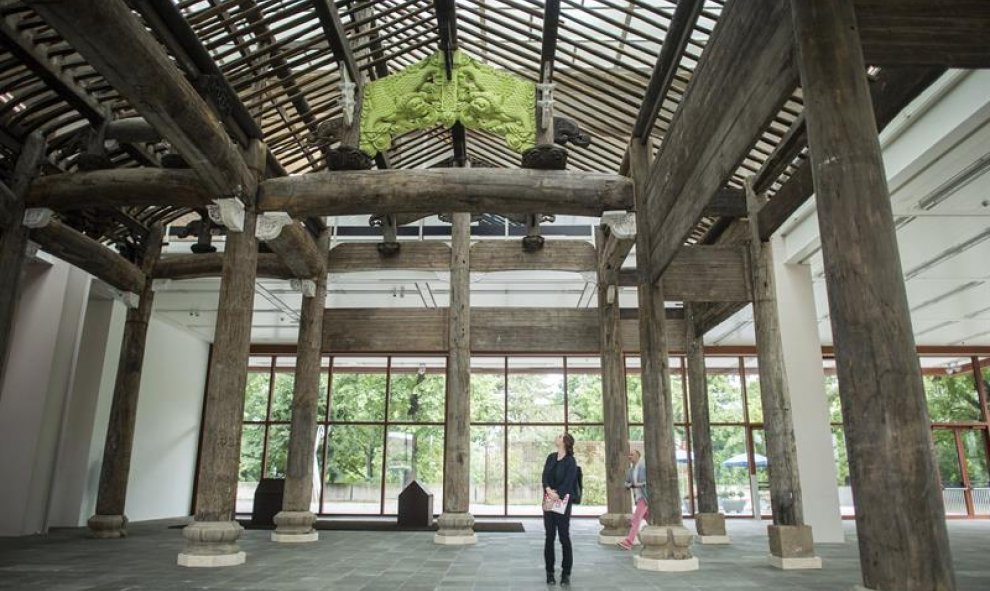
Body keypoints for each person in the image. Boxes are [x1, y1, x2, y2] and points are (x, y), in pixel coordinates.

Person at [542, 432, 578, 586]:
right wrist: (548, 490)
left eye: (559, 435)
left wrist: (558, 495)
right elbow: (544, 477)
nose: (556, 437)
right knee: (549, 536)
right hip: (549, 499)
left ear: (564, 441)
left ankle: (566, 573)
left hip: (562, 501)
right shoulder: (551, 457)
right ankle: (550, 573)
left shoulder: (571, 461)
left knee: (564, 536)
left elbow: (569, 481)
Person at [618, 447, 647, 550]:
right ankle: (656, 536)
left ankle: (629, 541)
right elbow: (627, 482)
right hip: (638, 497)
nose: (630, 456)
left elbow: (648, 482)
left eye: (632, 454)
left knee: (635, 519)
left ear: (638, 456)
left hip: (645, 497)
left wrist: (637, 485)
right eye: (629, 454)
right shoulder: (630, 470)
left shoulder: (643, 468)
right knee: (650, 519)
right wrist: (628, 485)